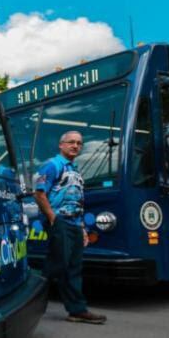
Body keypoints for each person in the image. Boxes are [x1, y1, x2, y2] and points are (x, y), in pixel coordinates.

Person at [34, 131, 105, 324]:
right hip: (60, 222)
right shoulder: (52, 165)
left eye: (79, 143)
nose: (75, 146)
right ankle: (28, 300)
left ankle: (77, 311)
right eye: (71, 142)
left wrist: (81, 228)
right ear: (61, 145)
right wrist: (52, 218)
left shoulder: (75, 170)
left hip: (74, 224)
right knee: (57, 265)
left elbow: (77, 201)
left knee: (73, 268)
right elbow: (39, 194)